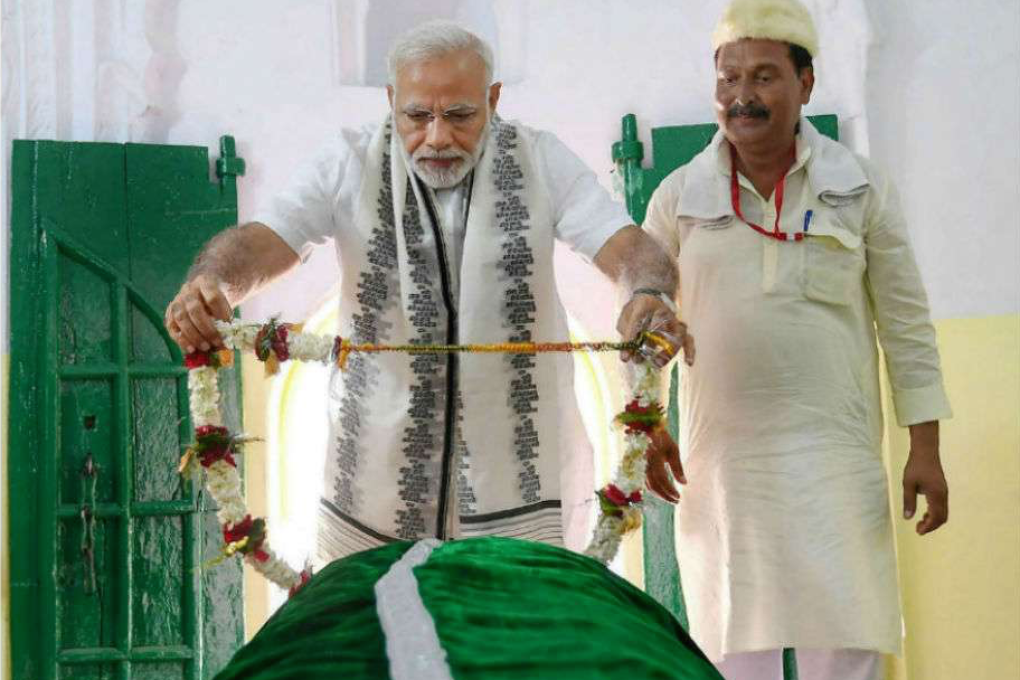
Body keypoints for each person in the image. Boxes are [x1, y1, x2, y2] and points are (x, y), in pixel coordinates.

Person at [165, 20, 690, 566]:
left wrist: (647, 293)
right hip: (370, 491)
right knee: (374, 642)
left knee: (519, 643)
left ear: (493, 99)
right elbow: (262, 241)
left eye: (460, 115)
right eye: (417, 116)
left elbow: (630, 248)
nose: (437, 136)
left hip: (522, 487)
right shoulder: (349, 161)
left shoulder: (539, 160)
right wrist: (212, 283)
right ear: (391, 100)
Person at [641, 1, 952, 678]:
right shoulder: (677, 195)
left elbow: (905, 323)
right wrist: (643, 427)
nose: (741, 97)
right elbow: (642, 321)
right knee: (731, 645)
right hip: (724, 469)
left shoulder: (860, 187)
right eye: (727, 80)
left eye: (763, 76)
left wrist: (923, 447)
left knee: (842, 642)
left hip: (834, 464)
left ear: (805, 84)